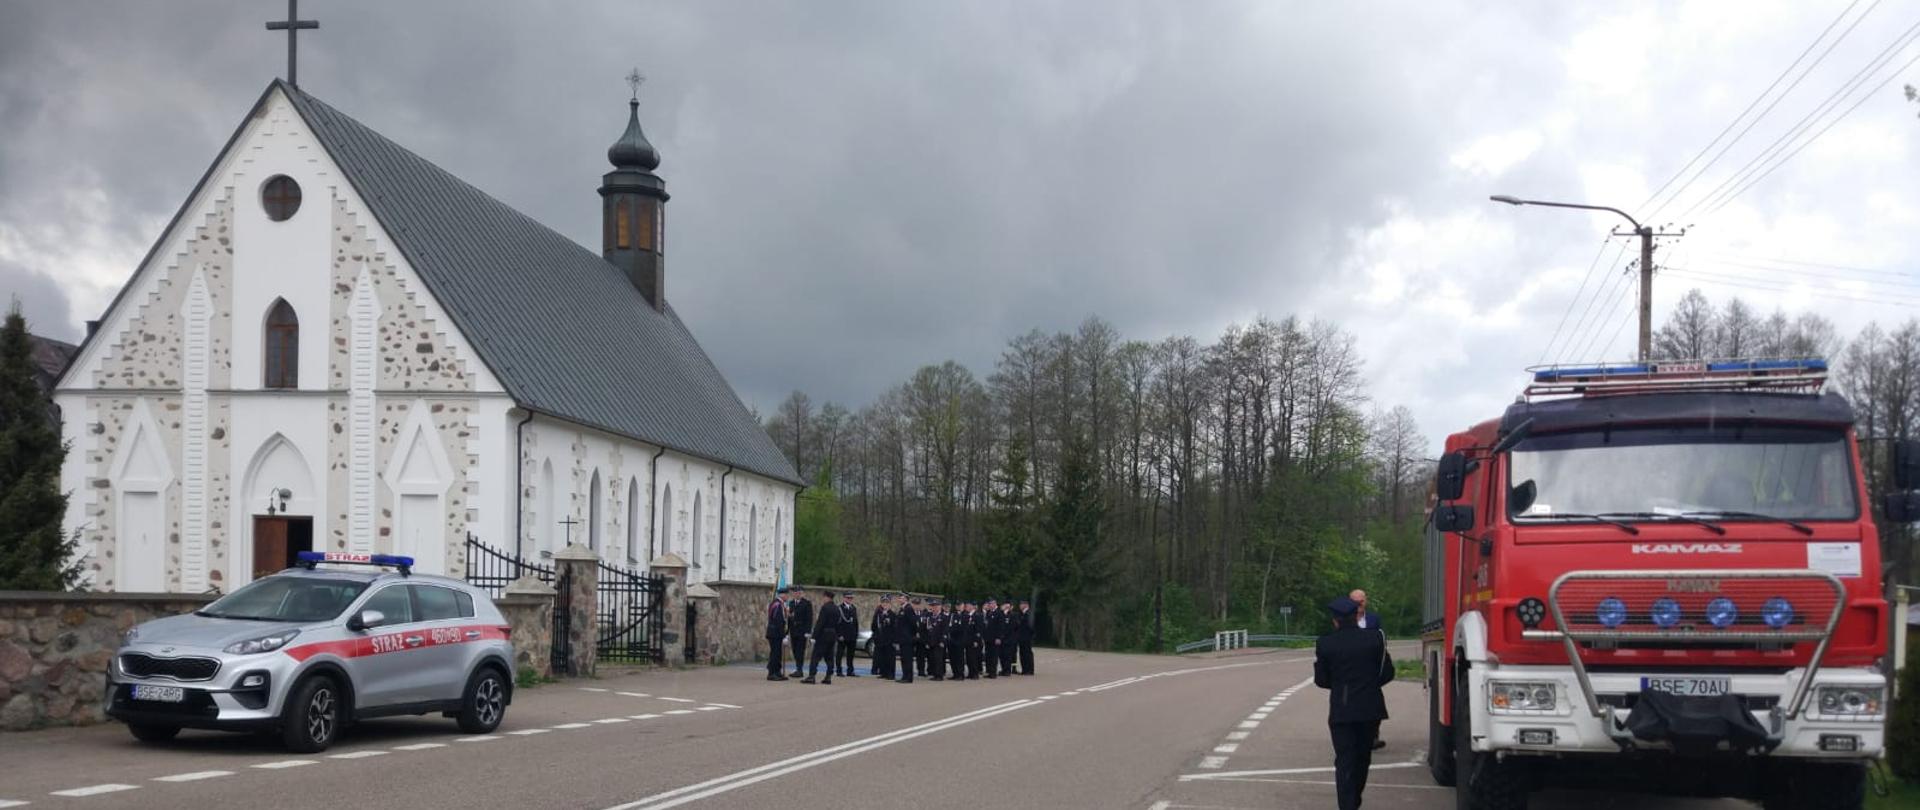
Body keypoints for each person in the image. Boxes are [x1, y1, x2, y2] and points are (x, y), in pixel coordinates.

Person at [1314, 596, 1394, 810]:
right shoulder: (1375, 639)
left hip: (1342, 709)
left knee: (1344, 759)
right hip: (1370, 708)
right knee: (1362, 757)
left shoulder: (1326, 643)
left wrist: (1341, 686)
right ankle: (1354, 799)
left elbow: (1321, 680)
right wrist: (1369, 685)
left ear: (1335, 620)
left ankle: (1347, 805)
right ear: (1356, 617)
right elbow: (1387, 672)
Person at [1349, 588, 1388, 751]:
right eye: (1355, 602)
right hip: (1350, 669)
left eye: (1362, 601)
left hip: (1371, 669)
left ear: (1366, 601)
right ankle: (1354, 736)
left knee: (1374, 703)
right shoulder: (1345, 619)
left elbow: (1382, 641)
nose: (1359, 605)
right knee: (1351, 703)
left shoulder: (1374, 619)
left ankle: (1373, 736)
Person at [803, 590, 840, 684]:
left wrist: (814, 636)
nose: (823, 599)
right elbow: (838, 623)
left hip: (823, 635)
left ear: (827, 597)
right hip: (832, 635)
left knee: (815, 656)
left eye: (824, 597)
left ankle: (812, 676)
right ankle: (828, 676)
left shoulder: (825, 608)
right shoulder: (836, 608)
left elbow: (820, 623)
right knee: (829, 657)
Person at [787, 586, 813, 679]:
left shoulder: (806, 603)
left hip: (802, 631)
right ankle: (798, 668)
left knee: (800, 651)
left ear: (802, 593)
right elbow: (789, 618)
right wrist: (786, 632)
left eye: (799, 592)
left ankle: (800, 669)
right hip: (793, 630)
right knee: (794, 650)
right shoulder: (791, 603)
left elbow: (809, 618)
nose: (797, 594)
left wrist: (808, 631)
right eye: (795, 592)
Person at [765, 587, 790, 681]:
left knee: (778, 653)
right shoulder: (777, 605)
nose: (787, 597)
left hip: (777, 633)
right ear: (782, 595)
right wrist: (783, 635)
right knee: (775, 653)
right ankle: (772, 673)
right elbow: (778, 621)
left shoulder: (780, 604)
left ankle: (777, 671)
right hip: (774, 633)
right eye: (787, 595)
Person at [892, 594, 917, 684]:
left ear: (906, 599)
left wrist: (910, 635)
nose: (900, 599)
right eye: (899, 598)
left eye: (901, 598)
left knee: (907, 659)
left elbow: (913, 623)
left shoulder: (909, 609)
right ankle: (904, 676)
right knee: (903, 658)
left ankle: (908, 677)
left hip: (907, 639)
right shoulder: (902, 609)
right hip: (902, 638)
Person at [946, 599, 971, 681]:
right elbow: (949, 626)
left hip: (960, 639)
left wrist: (954, 629)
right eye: (957, 605)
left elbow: (964, 628)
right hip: (952, 639)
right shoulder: (953, 615)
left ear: (963, 606)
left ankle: (960, 674)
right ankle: (955, 673)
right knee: (952, 657)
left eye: (960, 605)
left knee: (959, 658)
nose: (958, 607)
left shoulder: (966, 615)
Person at [872, 594, 895, 680]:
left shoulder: (892, 615)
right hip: (880, 639)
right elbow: (874, 626)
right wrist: (876, 636)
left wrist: (893, 639)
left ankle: (890, 674)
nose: (885, 604)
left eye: (887, 602)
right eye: (883, 602)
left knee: (889, 658)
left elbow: (894, 628)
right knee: (881, 657)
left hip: (889, 639)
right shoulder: (878, 614)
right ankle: (883, 672)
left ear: (890, 604)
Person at [925, 601, 949, 681]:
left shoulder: (944, 617)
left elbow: (945, 631)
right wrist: (927, 642)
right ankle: (935, 674)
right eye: (933, 606)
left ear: (940, 607)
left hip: (939, 641)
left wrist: (943, 641)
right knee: (933, 659)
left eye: (936, 606)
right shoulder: (930, 617)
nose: (934, 608)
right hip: (931, 641)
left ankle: (939, 675)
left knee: (938, 659)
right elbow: (928, 630)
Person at [981, 598, 1004, 678]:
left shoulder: (999, 613)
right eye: (989, 604)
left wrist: (998, 637)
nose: (990, 605)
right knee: (988, 655)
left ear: (995, 604)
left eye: (991, 604)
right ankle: (989, 671)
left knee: (994, 656)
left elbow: (1001, 627)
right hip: (988, 638)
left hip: (995, 638)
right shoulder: (988, 613)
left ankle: (993, 672)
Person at [838, 592, 860, 677]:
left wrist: (856, 633)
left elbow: (855, 622)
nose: (850, 599)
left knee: (850, 654)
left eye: (851, 598)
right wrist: (839, 634)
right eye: (848, 598)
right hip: (843, 635)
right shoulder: (840, 608)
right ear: (844, 598)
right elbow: (838, 623)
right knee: (840, 654)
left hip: (852, 635)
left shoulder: (853, 608)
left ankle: (850, 671)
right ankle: (839, 670)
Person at [1015, 597, 1036, 675]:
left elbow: (1031, 626)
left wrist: (1030, 635)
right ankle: (1024, 669)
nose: (1020, 606)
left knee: (1027, 653)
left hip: (1027, 637)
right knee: (1022, 653)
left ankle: (1029, 670)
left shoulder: (1028, 613)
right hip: (1021, 637)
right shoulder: (1021, 614)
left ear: (1026, 605)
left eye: (1022, 604)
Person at [997, 599, 1018, 676]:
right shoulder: (1000, 614)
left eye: (1007, 605)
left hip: (1009, 639)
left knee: (1007, 655)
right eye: (1004, 605)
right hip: (1001, 639)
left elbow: (1014, 626)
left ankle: (1007, 670)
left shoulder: (1012, 615)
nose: (1005, 606)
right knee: (1001, 655)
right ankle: (1003, 669)